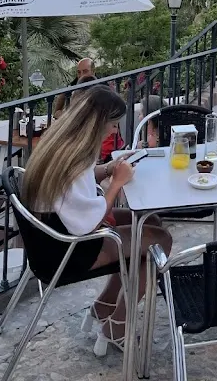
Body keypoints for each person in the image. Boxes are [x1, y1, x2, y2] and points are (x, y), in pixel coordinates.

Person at [23, 86, 172, 354]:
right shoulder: (76, 157)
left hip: (50, 236)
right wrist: (117, 183)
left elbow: (73, 187)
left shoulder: (62, 142)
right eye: (113, 125)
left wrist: (105, 170)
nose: (115, 131)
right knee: (158, 241)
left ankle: (104, 306)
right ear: (97, 123)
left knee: (151, 224)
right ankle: (117, 326)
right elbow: (89, 223)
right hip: (65, 251)